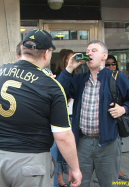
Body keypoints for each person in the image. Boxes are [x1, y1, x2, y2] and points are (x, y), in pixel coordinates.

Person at [0, 29, 82, 187]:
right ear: (47, 54)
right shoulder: (51, 85)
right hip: (29, 161)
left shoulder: (0, 72)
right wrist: (75, 168)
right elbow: (63, 136)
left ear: (22, 49)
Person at [57, 40, 129, 187]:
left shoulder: (117, 77)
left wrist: (123, 109)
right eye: (87, 51)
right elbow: (58, 92)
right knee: (79, 183)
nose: (89, 53)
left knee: (109, 183)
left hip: (108, 143)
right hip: (82, 143)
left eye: (93, 50)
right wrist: (69, 69)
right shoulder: (79, 79)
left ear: (104, 56)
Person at [51, 49, 76, 187]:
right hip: (62, 118)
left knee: (67, 153)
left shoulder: (77, 75)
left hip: (73, 117)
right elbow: (58, 94)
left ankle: (62, 179)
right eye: (69, 58)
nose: (72, 61)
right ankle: (58, 181)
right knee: (57, 153)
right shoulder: (60, 75)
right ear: (64, 60)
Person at [105, 54, 129, 181]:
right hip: (101, 120)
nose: (111, 66)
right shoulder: (99, 77)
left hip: (115, 118)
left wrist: (123, 109)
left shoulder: (119, 77)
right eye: (108, 64)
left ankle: (117, 171)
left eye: (113, 64)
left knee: (116, 147)